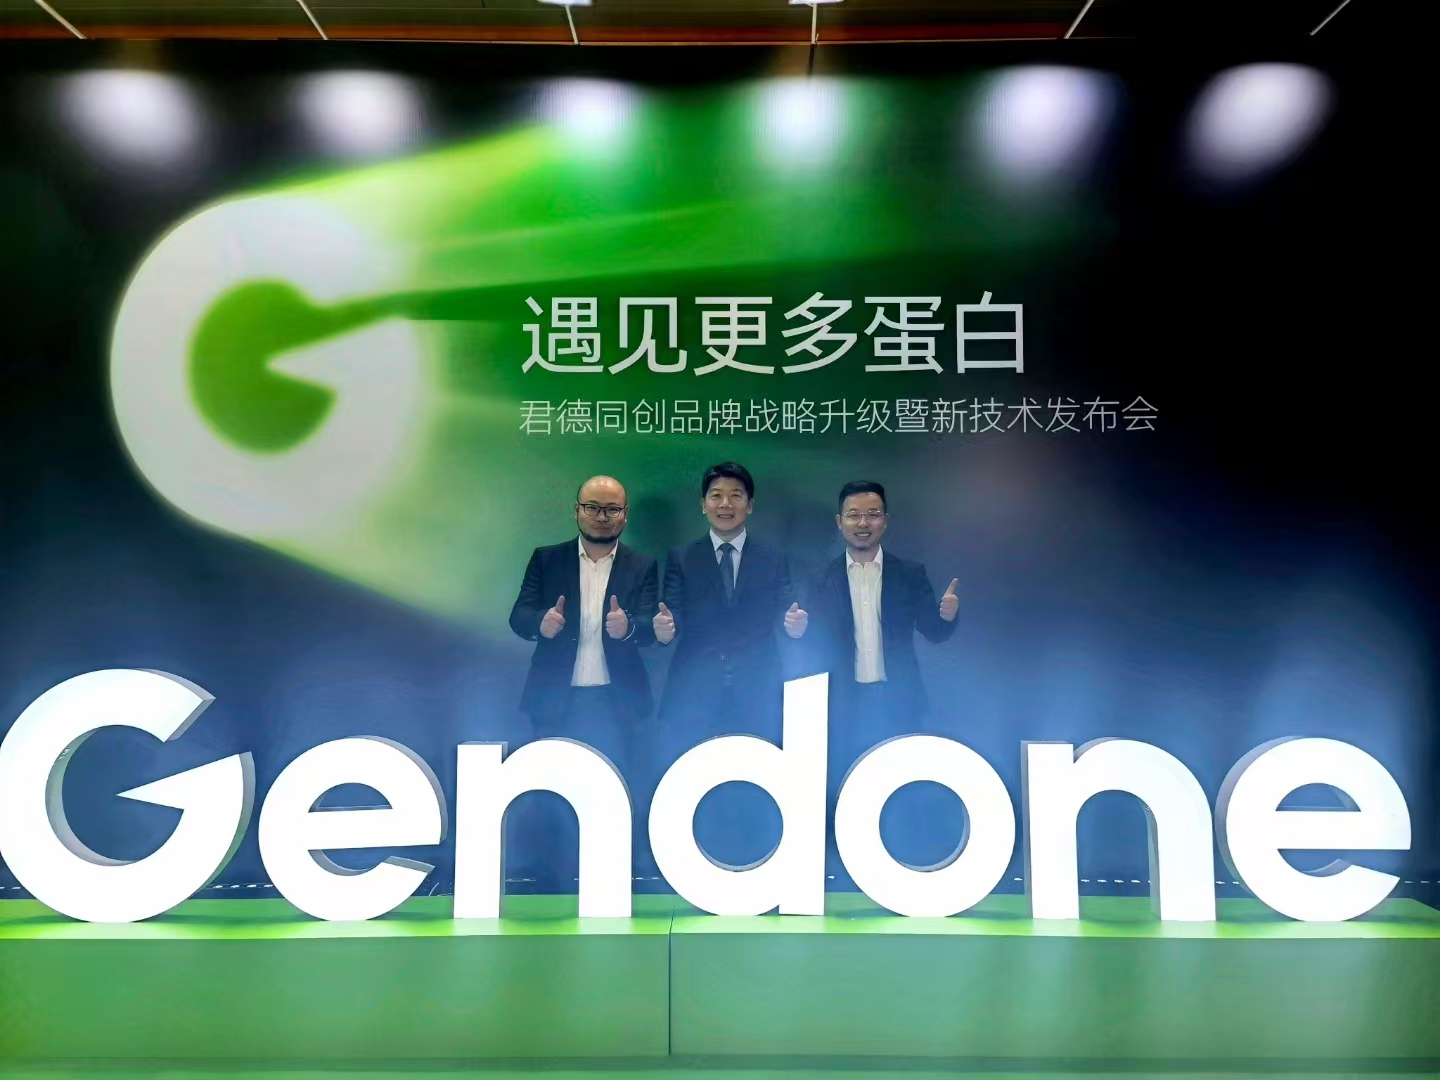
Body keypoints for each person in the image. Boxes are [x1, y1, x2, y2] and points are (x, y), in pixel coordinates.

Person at [507, 474, 659, 891]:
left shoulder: (642, 564)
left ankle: (610, 881)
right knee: (552, 792)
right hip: (555, 699)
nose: (601, 516)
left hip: (615, 702)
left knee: (615, 792)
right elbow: (519, 616)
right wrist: (541, 623)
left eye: (611, 509)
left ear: (625, 515)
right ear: (577, 510)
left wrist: (629, 627)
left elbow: (650, 627)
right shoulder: (547, 559)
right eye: (592, 507)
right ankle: (554, 881)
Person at [806, 480, 960, 887]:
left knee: (898, 786)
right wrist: (795, 630)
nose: (863, 523)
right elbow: (808, 642)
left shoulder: (909, 573)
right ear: (839, 522)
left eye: (872, 515)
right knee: (843, 786)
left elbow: (934, 632)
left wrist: (946, 616)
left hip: (898, 701)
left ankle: (899, 869)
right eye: (854, 515)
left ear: (885, 521)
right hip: (844, 703)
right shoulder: (820, 577)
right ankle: (842, 870)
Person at [653, 462, 808, 738]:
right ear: (703, 505)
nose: (725, 504)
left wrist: (794, 626)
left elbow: (787, 612)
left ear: (750, 505)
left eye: (736, 495)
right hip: (695, 691)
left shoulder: (772, 558)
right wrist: (665, 630)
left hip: (757, 691)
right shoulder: (682, 557)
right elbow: (672, 612)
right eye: (716, 496)